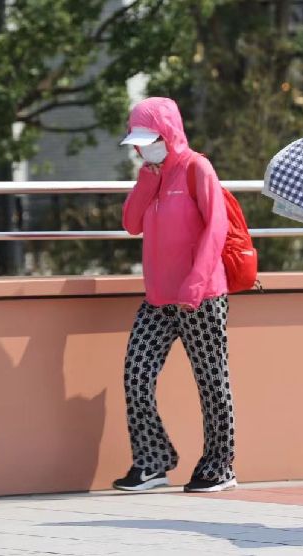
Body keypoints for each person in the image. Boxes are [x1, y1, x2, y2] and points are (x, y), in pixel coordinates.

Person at [112, 97, 236, 493]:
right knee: (136, 373)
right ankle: (152, 462)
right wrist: (147, 181)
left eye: (148, 141)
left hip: (201, 297)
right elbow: (131, 224)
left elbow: (217, 227)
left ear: (168, 134)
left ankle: (219, 467)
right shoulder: (152, 175)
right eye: (137, 143)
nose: (142, 149)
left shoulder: (197, 168)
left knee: (212, 382)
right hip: (158, 300)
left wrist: (195, 284)